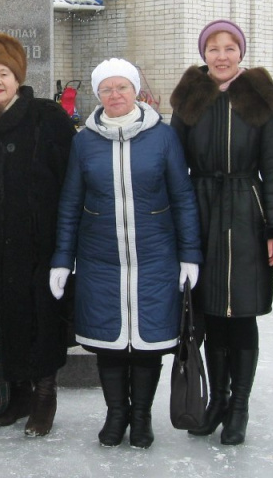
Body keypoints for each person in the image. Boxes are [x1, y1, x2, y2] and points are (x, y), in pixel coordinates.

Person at [50, 58, 201, 449]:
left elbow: (183, 198)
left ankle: (141, 417)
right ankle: (116, 414)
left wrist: (190, 254)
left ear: (136, 91)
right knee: (109, 344)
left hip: (155, 256)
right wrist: (62, 259)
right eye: (106, 89)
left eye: (122, 87)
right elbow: (70, 202)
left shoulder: (163, 137)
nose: (114, 95)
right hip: (101, 258)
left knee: (148, 343)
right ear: (97, 94)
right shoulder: (84, 140)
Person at [168, 20, 273, 445]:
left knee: (241, 314)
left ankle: (239, 407)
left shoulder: (258, 98)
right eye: (214, 48)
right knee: (210, 314)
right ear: (204, 55)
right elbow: (172, 163)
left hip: (245, 211)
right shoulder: (190, 97)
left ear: (241, 52)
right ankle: (216, 401)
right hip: (199, 210)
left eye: (230, 47)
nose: (222, 56)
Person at [0, 33, 75, 436]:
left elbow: (70, 181)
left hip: (40, 239)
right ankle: (18, 393)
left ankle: (45, 394)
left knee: (42, 315)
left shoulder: (48, 117)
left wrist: (65, 242)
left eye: (3, 73)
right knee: (5, 315)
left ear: (17, 76)